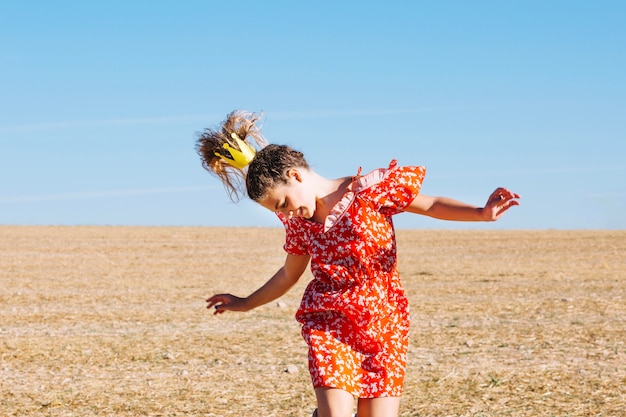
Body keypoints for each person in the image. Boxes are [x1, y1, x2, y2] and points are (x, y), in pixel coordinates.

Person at [196, 110, 520, 417]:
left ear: (295, 176)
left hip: (385, 327)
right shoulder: (299, 223)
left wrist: (481, 213)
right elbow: (288, 274)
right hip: (330, 326)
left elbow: (432, 205)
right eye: (277, 212)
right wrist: (245, 303)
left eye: (283, 203)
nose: (285, 214)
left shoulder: (370, 191)